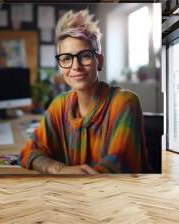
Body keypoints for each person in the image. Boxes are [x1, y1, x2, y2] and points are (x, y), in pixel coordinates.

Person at [19, 9, 150, 174]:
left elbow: (115, 167)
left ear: (99, 61)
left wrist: (74, 176)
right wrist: (59, 169)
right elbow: (30, 151)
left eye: (85, 56)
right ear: (60, 66)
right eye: (66, 58)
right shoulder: (59, 104)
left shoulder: (124, 103)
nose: (76, 66)